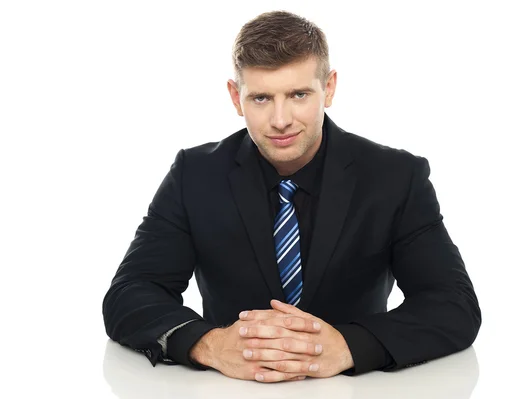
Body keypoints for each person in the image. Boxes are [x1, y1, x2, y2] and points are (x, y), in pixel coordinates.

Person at [102, 10, 482, 383]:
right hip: (229, 389)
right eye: (262, 98)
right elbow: (130, 293)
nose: (280, 120)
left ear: (328, 88)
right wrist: (211, 345)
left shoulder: (396, 177)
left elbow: (454, 304)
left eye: (299, 94)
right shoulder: (194, 174)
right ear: (236, 98)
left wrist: (349, 346)